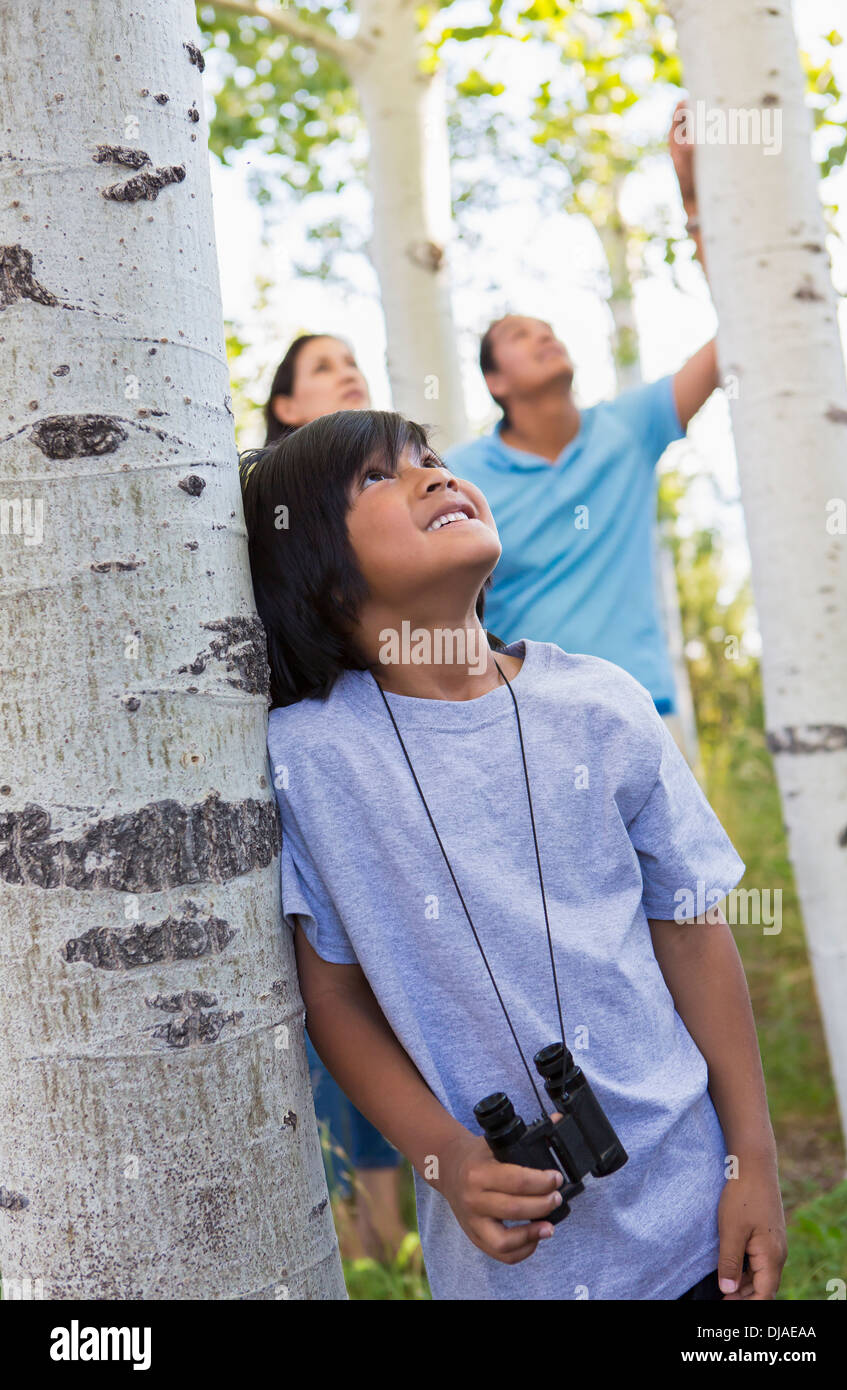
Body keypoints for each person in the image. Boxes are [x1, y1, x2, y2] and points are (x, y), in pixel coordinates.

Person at [241, 408, 787, 1300]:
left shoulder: (601, 704)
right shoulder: (308, 758)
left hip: (696, 1230)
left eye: (431, 457)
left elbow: (691, 930)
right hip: (510, 1279)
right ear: (317, 575)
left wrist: (751, 1164)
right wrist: (447, 1157)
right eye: (377, 477)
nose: (432, 475)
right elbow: (331, 991)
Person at [443, 107, 714, 757]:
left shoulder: (631, 427)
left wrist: (693, 195)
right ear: (495, 383)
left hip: (644, 711)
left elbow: (738, 331)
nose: (543, 336)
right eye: (518, 336)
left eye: (548, 329)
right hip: (522, 723)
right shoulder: (459, 475)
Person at [246, 332, 410, 1265]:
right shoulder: (264, 516)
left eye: (353, 360)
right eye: (320, 369)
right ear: (285, 410)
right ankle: (364, 1240)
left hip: (382, 776)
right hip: (301, 789)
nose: (346, 371)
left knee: (381, 997)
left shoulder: (388, 503)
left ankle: (390, 1240)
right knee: (328, 998)